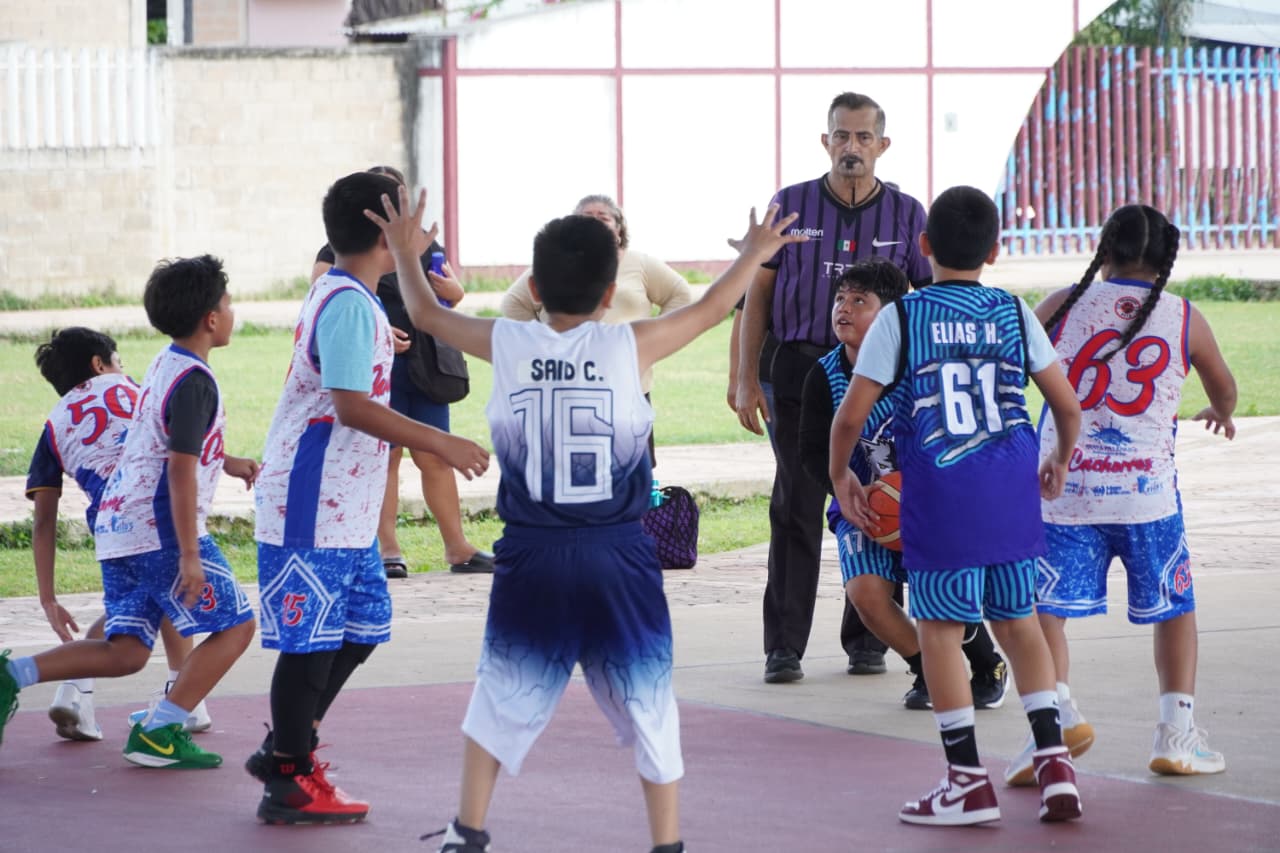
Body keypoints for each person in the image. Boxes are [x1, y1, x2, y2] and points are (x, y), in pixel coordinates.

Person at [368, 185, 803, 853]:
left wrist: (403, 250)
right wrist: (754, 253)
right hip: (618, 552)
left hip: (531, 553)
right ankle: (666, 842)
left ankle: (469, 830)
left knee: (501, 691)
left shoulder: (507, 342)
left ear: (534, 286)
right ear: (611, 294)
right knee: (649, 699)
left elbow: (423, 313)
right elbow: (718, 306)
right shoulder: (633, 345)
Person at [830, 186, 1084, 826]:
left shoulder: (904, 317)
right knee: (1020, 622)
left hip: (942, 490)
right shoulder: (1013, 310)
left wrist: (841, 475)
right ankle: (1055, 765)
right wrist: (1058, 459)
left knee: (941, 630)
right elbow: (1067, 405)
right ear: (995, 251)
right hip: (1009, 488)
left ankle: (967, 782)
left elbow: (851, 416)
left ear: (923, 248)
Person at [249, 171, 490, 826]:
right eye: (409, 217)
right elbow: (352, 407)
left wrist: (387, 340)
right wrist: (439, 442)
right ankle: (291, 777)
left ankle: (287, 745)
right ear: (385, 229)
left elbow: (348, 371)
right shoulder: (351, 302)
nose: (421, 227)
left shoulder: (352, 295)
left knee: (359, 628)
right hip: (312, 502)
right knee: (310, 646)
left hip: (342, 505)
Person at [1002, 204, 1237, 786]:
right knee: (1175, 608)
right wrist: (1221, 411)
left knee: (1045, 611)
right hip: (1146, 498)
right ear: (1166, 262)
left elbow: (1011, 379)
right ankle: (1176, 733)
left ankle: (1053, 722)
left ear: (1103, 252)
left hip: (1062, 492)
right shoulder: (1185, 317)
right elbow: (1224, 388)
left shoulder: (1057, 306)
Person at [0, 255, 259, 770]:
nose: (232, 312)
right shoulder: (190, 380)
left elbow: (158, 439)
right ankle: (161, 729)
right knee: (237, 626)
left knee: (125, 651)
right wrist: (190, 552)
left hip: (116, 527)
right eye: (228, 304)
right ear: (210, 318)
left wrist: (225, 461)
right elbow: (179, 469)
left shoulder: (165, 363)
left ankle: (14, 675)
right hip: (159, 527)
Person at [736, 91, 932, 683]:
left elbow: (921, 300)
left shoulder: (906, 214)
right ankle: (784, 647)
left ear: (882, 145)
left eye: (863, 138)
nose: (852, 148)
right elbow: (757, 296)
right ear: (826, 142)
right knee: (796, 502)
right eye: (841, 137)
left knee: (877, 499)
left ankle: (867, 639)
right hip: (797, 371)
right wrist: (745, 377)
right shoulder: (790, 205)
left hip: (877, 377)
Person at [797, 259, 1008, 710]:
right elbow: (813, 449)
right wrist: (845, 491)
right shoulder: (824, 375)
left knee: (942, 596)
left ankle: (986, 661)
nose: (844, 309)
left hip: (933, 502)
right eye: (840, 299)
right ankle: (927, 671)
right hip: (862, 502)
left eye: (860, 301)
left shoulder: (922, 366)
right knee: (867, 595)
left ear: (892, 315)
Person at [25, 327, 214, 742]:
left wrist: (48, 597)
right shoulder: (135, 390)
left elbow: (43, 521)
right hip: (156, 511)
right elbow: (179, 439)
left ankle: (76, 688)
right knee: (183, 599)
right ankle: (182, 699)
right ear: (100, 363)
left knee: (135, 615)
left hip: (111, 529)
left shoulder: (54, 425)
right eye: (118, 360)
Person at [313, 165, 493, 578]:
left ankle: (457, 547)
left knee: (434, 459)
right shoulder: (341, 273)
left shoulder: (420, 247)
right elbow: (331, 310)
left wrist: (455, 294)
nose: (404, 218)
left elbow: (440, 300)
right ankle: (388, 548)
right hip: (376, 371)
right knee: (387, 456)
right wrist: (378, 335)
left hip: (424, 368)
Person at [500, 193, 694, 465]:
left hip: (627, 385)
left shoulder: (640, 263)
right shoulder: (557, 262)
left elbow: (682, 296)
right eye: (585, 218)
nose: (594, 223)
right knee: (567, 468)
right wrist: (544, 343)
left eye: (603, 218)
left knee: (631, 470)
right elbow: (513, 303)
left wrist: (653, 341)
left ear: (619, 230)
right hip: (566, 387)